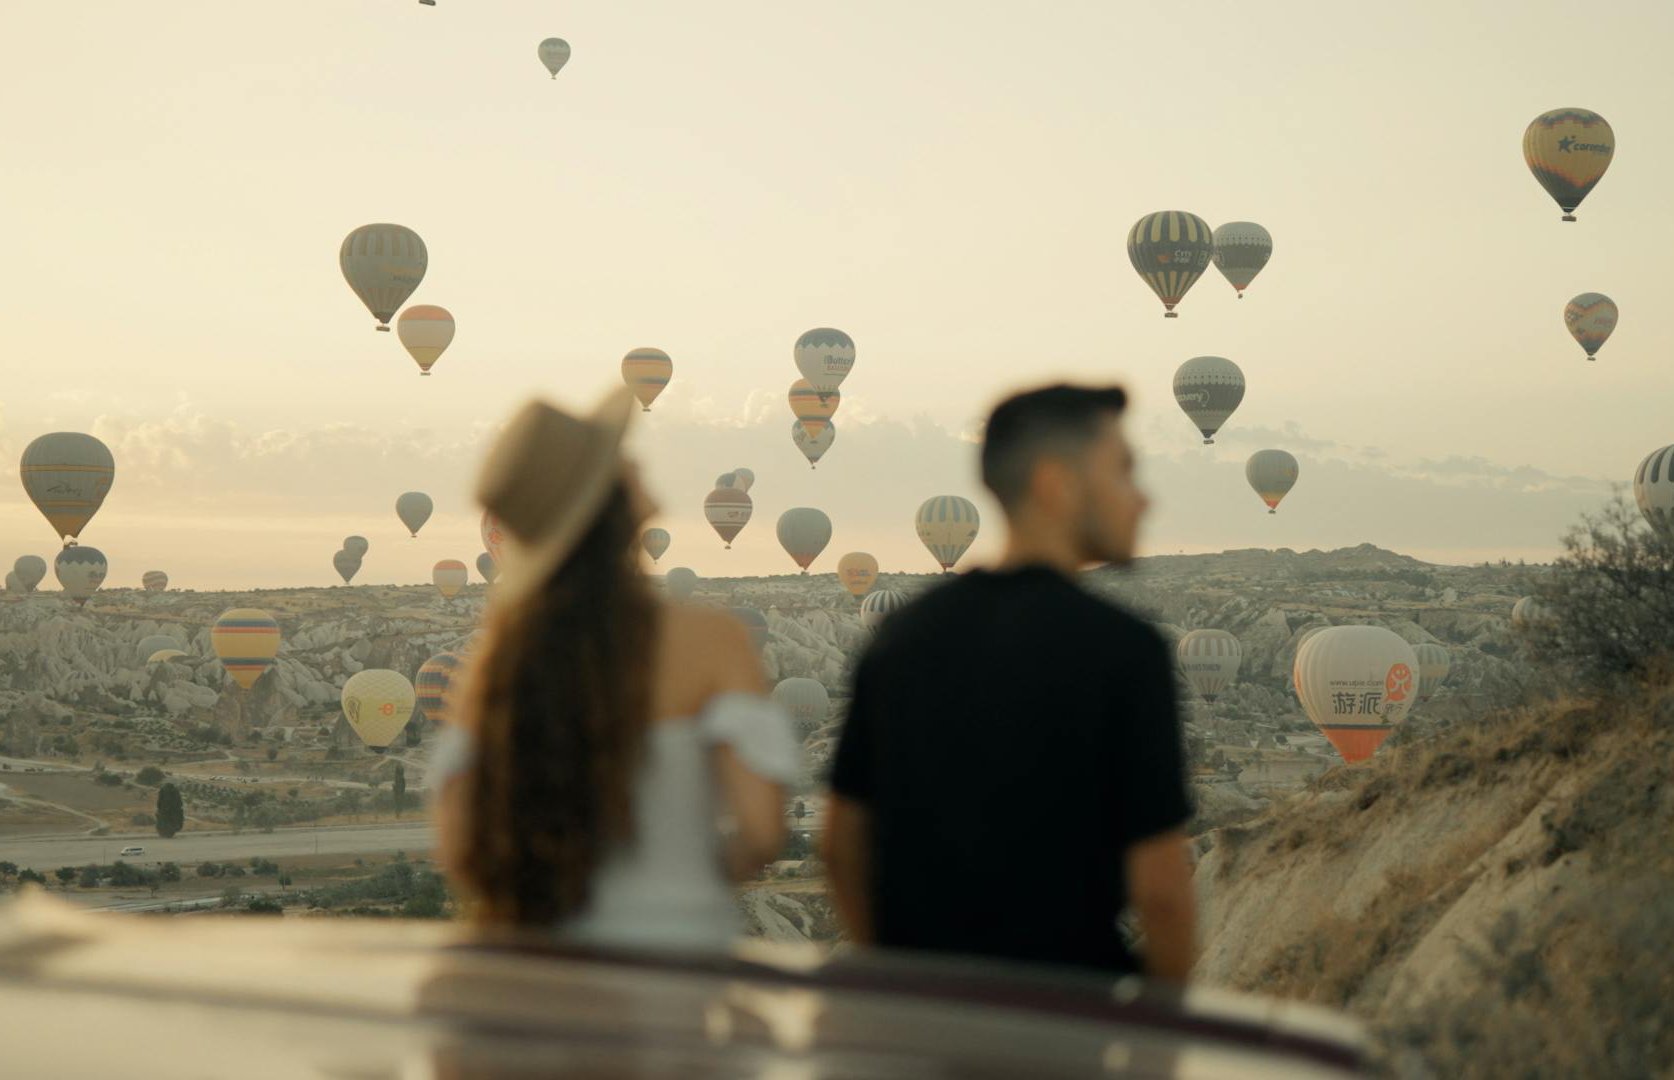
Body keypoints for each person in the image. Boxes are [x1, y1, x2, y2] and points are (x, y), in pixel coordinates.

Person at [823, 384, 1196, 979]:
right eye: (1123, 471)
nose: (1143, 498)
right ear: (1055, 484)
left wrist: (895, 977)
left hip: (920, 1008)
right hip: (1065, 1009)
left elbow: (841, 848)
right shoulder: (1123, 648)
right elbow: (1163, 895)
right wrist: (1160, 1019)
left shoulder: (903, 636)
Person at [435, 388, 799, 949]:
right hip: (675, 959)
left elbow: (460, 848)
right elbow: (761, 831)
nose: (636, 461)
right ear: (606, 497)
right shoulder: (710, 639)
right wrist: (677, 883)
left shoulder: (495, 663)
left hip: (528, 960)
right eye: (619, 458)